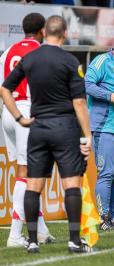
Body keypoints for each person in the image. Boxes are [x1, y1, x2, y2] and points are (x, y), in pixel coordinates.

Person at [0, 15, 92, 253]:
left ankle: (34, 237)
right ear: (63, 33)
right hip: (57, 122)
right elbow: (79, 102)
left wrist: (17, 117)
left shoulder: (15, 53)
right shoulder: (68, 60)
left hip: (26, 120)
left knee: (32, 181)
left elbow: (4, 87)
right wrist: (87, 135)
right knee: (69, 182)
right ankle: (69, 239)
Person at [0, 12, 54, 248]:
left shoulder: (8, 51)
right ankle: (15, 234)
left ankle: (41, 230)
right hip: (28, 112)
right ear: (42, 30)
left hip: (8, 112)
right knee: (28, 173)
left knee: (31, 173)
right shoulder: (41, 52)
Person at [85, 32, 114, 230]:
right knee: (106, 173)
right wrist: (110, 96)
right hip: (104, 127)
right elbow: (87, 85)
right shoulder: (102, 61)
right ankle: (102, 217)